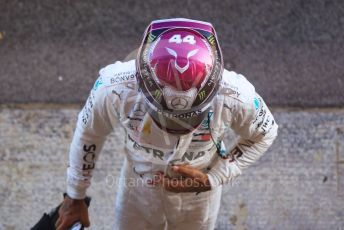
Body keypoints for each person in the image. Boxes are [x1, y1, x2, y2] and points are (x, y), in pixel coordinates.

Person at [55, 18, 278, 230]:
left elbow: (265, 132)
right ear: (144, 82)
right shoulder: (113, 86)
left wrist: (216, 176)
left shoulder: (237, 94)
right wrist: (74, 196)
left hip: (198, 196)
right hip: (139, 189)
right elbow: (89, 134)